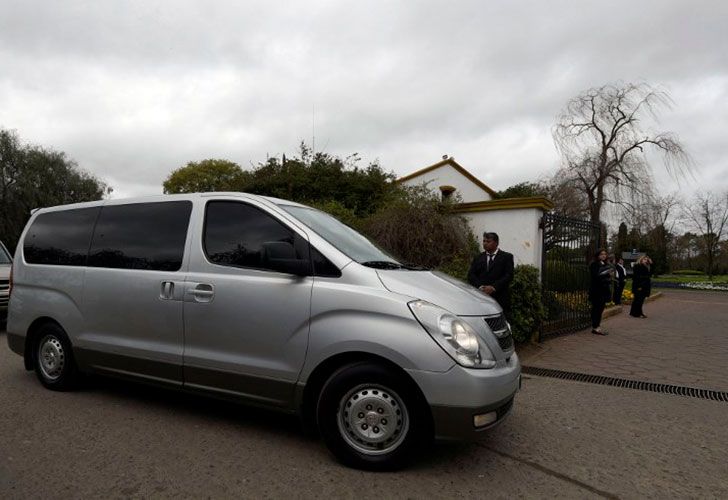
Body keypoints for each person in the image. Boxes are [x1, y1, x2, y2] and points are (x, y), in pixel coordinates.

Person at [467, 232, 514, 314]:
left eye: (488, 241)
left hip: (500, 299)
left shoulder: (506, 257)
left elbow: (509, 276)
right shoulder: (478, 257)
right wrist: (480, 287)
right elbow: (471, 275)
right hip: (481, 298)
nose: (485, 244)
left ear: (496, 243)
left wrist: (493, 287)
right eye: (484, 241)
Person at [588, 249, 613, 335]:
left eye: (605, 254)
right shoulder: (594, 264)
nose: (603, 256)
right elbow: (595, 276)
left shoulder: (605, 264)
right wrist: (606, 274)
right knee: (596, 309)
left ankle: (597, 325)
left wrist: (609, 276)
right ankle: (595, 327)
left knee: (600, 308)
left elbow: (607, 277)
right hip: (596, 290)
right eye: (601, 254)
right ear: (598, 255)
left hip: (604, 290)